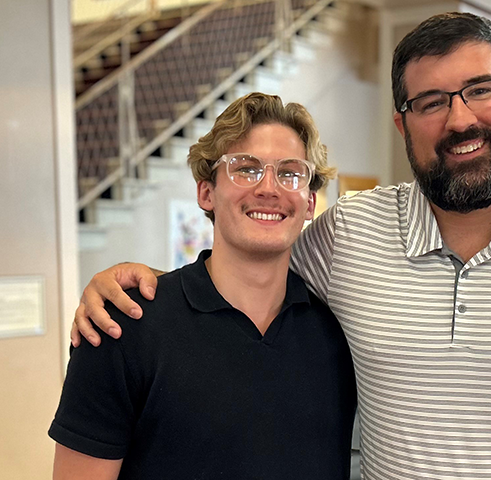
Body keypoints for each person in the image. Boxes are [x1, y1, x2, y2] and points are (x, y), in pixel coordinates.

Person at [71, 13, 491, 480]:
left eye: (480, 90)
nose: (459, 120)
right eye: (430, 102)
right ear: (402, 123)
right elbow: (248, 259)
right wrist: (140, 282)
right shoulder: (348, 234)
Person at [50, 93, 357, 480]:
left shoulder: (338, 333)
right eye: (245, 169)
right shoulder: (124, 327)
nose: (269, 187)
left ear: (310, 202)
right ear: (206, 192)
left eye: (290, 172)